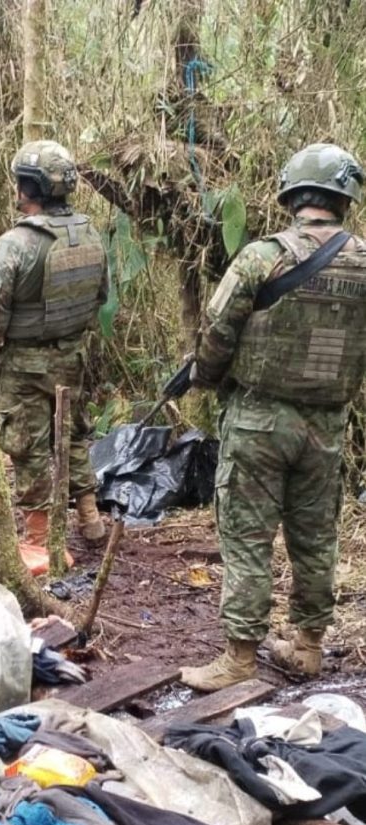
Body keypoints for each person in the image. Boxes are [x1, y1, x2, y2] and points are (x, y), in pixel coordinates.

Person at [181, 143, 366, 691]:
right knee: (316, 535)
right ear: (343, 199)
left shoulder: (265, 256)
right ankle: (308, 646)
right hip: (327, 424)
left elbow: (217, 333)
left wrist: (206, 380)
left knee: (247, 535)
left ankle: (239, 656)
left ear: (293, 194)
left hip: (260, 420)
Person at [0, 139, 108, 547]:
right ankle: (91, 520)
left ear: (29, 187)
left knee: (28, 445)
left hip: (24, 363)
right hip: (73, 355)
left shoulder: (16, 243)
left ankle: (38, 540)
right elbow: (100, 297)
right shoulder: (90, 234)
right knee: (71, 434)